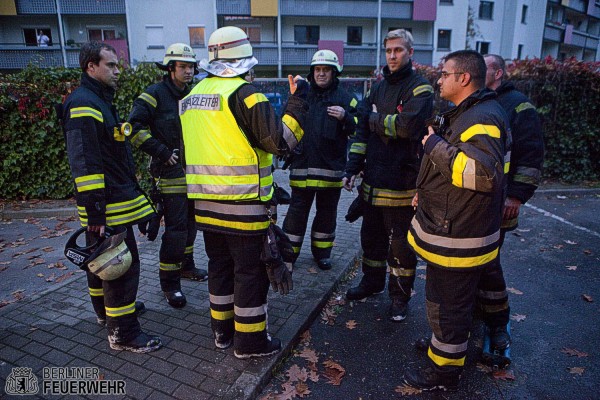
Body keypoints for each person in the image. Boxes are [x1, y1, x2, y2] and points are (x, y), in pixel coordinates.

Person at [179, 26, 308, 359]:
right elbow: (282, 143)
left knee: (219, 268)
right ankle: (250, 343)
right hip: (245, 207)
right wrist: (297, 103)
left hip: (206, 206)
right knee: (249, 274)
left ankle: (222, 332)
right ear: (243, 62)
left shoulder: (191, 97)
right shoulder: (246, 94)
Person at [403, 50, 511, 391]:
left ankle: (444, 373)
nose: (439, 80)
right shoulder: (468, 113)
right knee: (446, 305)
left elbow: (481, 175)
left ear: (464, 78)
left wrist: (434, 145)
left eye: (445, 74)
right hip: (452, 228)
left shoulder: (482, 118)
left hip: (458, 236)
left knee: (448, 307)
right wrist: (425, 192)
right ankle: (443, 351)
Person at [60, 41, 161, 353]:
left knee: (100, 264)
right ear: (92, 67)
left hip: (108, 205)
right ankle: (124, 334)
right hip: (106, 208)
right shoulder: (84, 103)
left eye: (118, 65)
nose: (118, 71)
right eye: (111, 65)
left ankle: (107, 314)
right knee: (121, 268)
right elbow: (86, 164)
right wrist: (95, 216)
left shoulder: (97, 99)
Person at [343, 29, 433, 323]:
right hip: (372, 184)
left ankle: (399, 297)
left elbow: (407, 127)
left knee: (401, 248)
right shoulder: (378, 89)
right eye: (389, 50)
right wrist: (353, 166)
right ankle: (372, 282)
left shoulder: (421, 89)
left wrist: (373, 119)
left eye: (398, 50)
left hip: (403, 184)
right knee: (371, 240)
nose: (392, 56)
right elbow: (361, 131)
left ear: (410, 53)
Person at [128, 43, 207, 309]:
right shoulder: (154, 95)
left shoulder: (194, 94)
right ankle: (170, 285)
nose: (188, 71)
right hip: (169, 175)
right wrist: (161, 151)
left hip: (195, 175)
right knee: (175, 232)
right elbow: (133, 129)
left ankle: (186, 266)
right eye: (183, 67)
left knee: (191, 226)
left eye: (191, 67)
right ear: (170, 68)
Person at [474, 54, 544, 350]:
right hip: (474, 203)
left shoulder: (518, 105)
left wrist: (517, 195)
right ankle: (472, 317)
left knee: (488, 265)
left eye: (484, 68)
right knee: (471, 266)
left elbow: (530, 155)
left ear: (498, 73)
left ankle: (497, 323)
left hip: (500, 202)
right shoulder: (478, 101)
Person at [282, 49, 357, 271]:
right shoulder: (301, 95)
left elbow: (360, 127)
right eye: (317, 69)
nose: (321, 74)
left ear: (335, 73)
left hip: (330, 171)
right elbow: (286, 123)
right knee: (296, 215)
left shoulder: (346, 99)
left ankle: (322, 254)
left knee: (326, 215)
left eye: (326, 70)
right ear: (312, 72)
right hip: (302, 168)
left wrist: (346, 117)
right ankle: (288, 256)